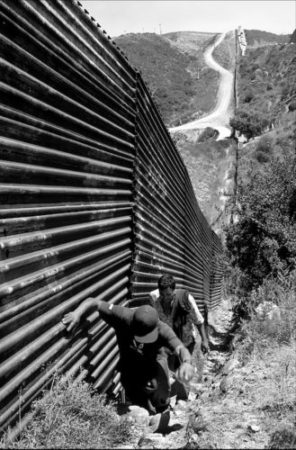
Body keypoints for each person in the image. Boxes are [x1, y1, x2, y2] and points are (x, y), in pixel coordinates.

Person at [62, 299, 194, 416]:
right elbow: (94, 302)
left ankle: (162, 412)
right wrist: (77, 313)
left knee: (161, 391)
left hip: (155, 359)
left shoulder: (162, 329)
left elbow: (181, 348)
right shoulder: (123, 315)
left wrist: (187, 362)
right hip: (129, 360)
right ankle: (144, 413)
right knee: (134, 392)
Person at [150, 274, 209, 393]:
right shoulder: (156, 301)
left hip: (186, 341)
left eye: (168, 294)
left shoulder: (185, 299)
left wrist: (204, 340)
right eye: (162, 295)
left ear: (174, 291)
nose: (165, 298)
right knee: (171, 369)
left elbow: (199, 320)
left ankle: (184, 399)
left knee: (185, 370)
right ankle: (174, 395)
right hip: (169, 344)